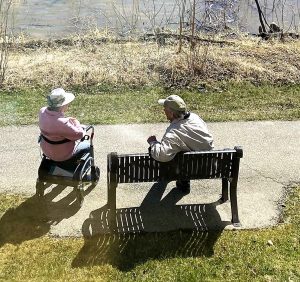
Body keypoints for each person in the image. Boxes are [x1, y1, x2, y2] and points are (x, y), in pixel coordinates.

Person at [147, 94, 214, 193]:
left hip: (190, 169)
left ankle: (170, 177)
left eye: (165, 109)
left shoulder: (173, 133)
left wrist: (153, 142)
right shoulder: (195, 117)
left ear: (171, 113)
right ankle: (183, 184)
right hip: (210, 167)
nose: (163, 110)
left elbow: (162, 156)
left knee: (161, 151)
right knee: (182, 149)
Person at [39, 88, 90, 163]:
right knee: (88, 146)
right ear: (62, 106)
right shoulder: (62, 123)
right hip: (62, 154)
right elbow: (79, 135)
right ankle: (87, 171)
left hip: (46, 151)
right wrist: (77, 123)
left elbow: (53, 124)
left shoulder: (42, 112)